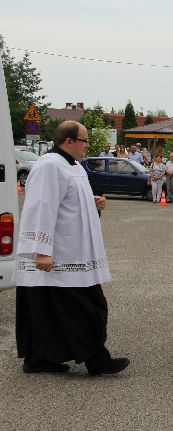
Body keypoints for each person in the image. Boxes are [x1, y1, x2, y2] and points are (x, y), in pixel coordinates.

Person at [13, 120, 129, 376]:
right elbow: (42, 207)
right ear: (69, 141)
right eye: (85, 141)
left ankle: (40, 358)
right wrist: (42, 251)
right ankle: (97, 361)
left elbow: (67, 202)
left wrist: (93, 203)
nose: (87, 146)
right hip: (58, 255)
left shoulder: (73, 165)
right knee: (85, 309)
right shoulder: (49, 166)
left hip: (73, 252)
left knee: (49, 310)